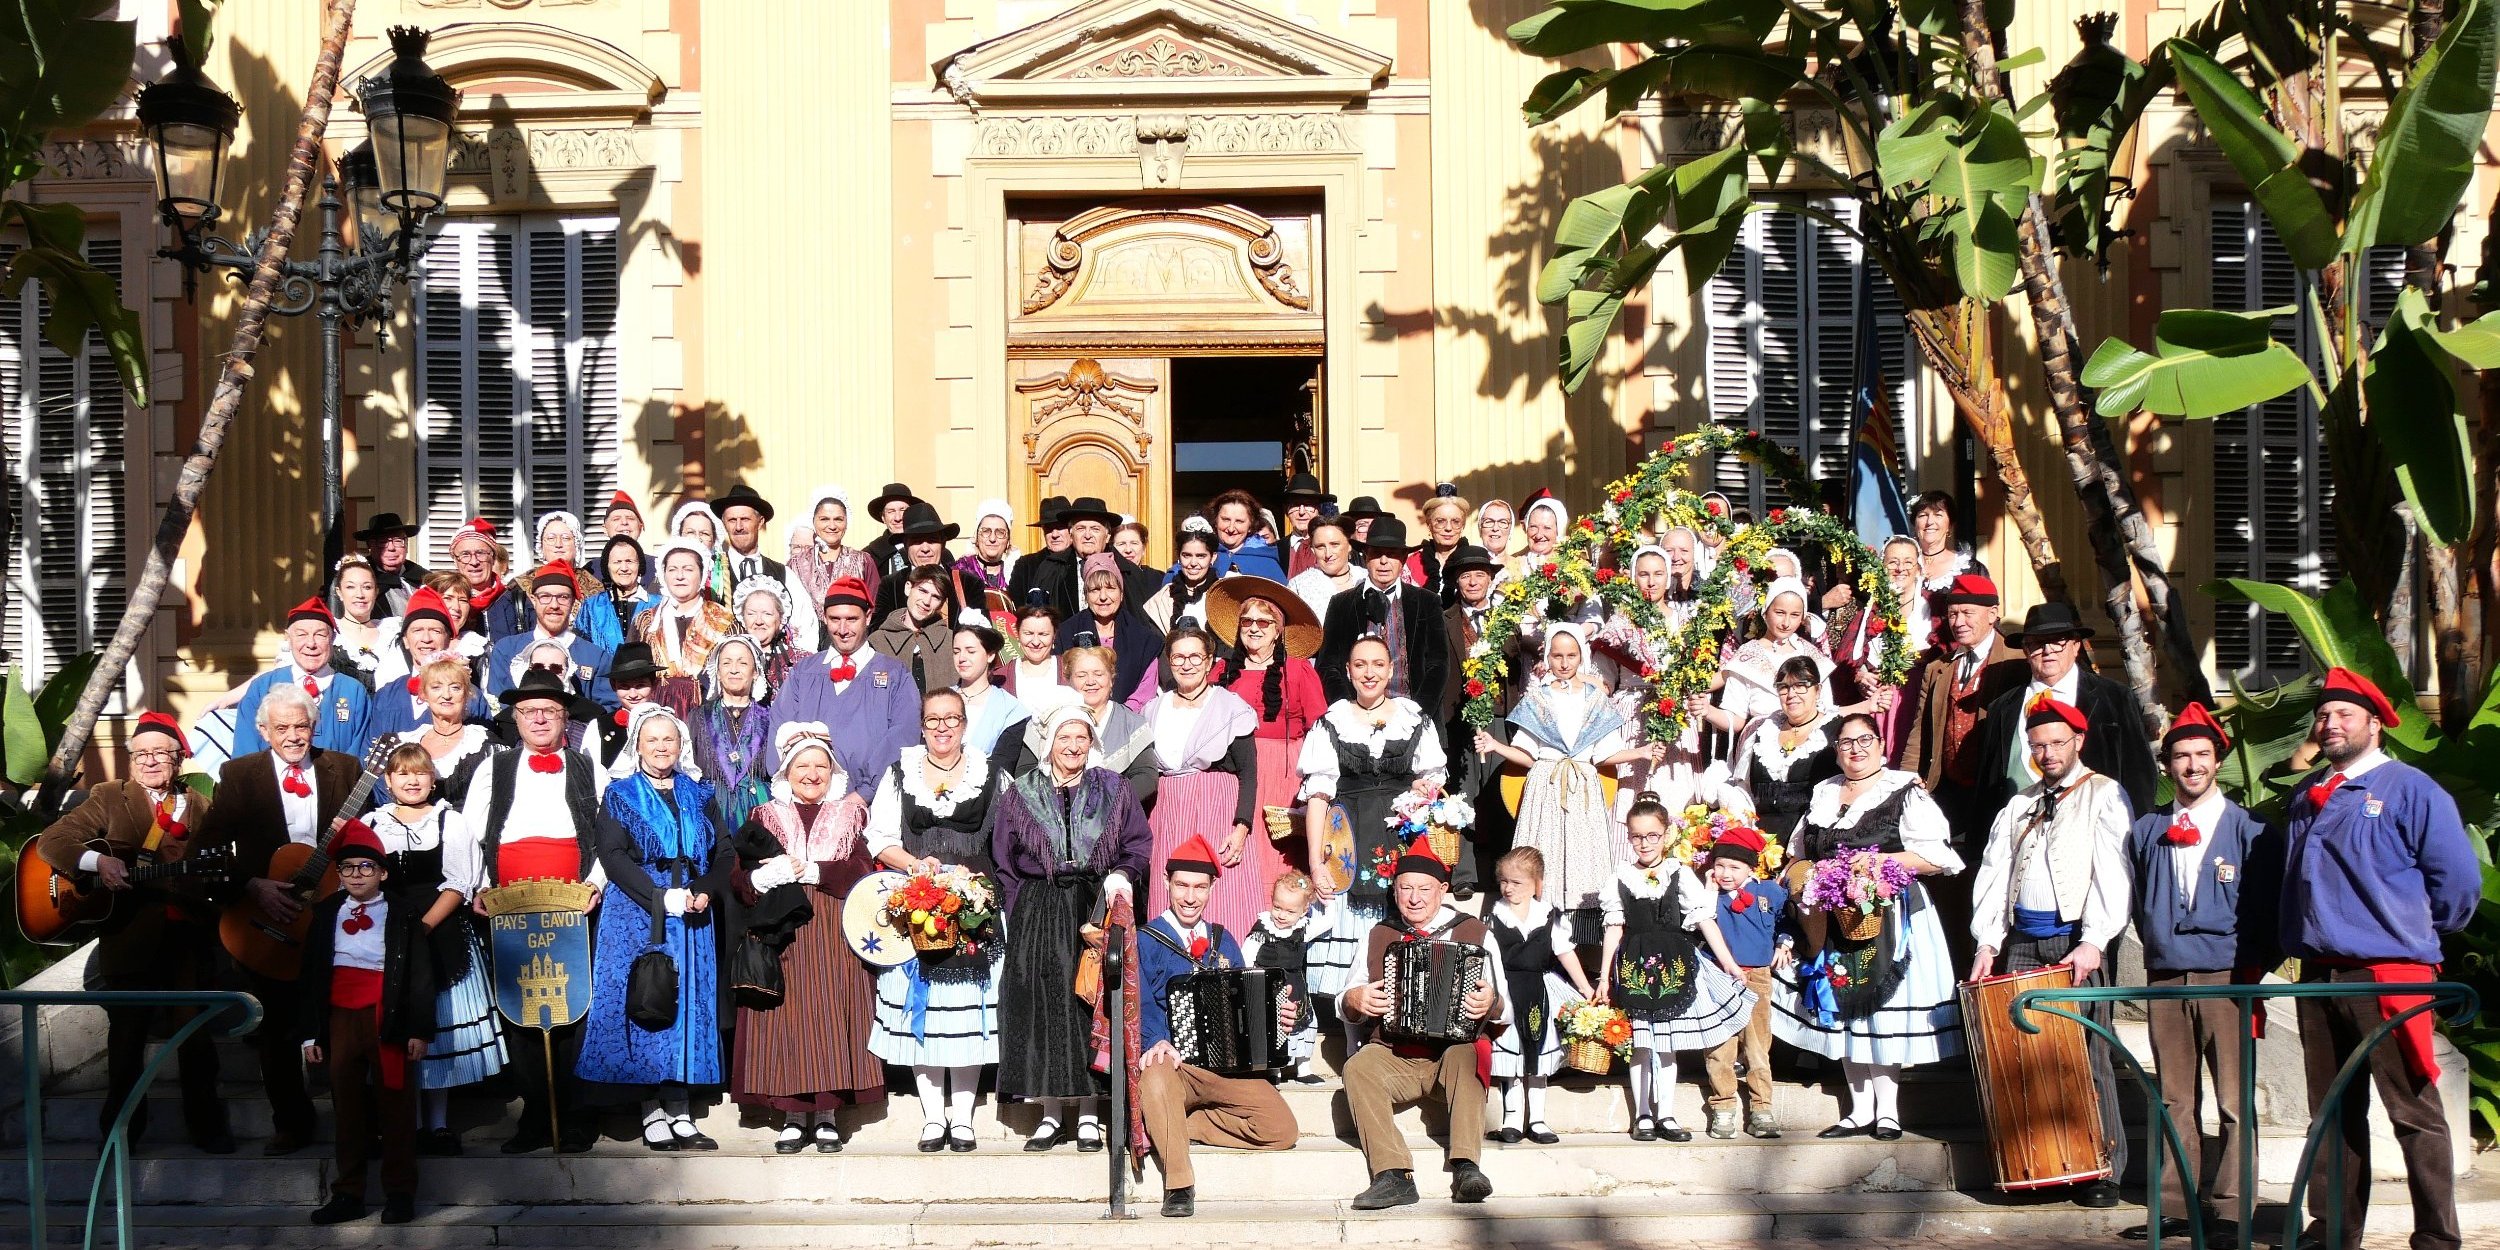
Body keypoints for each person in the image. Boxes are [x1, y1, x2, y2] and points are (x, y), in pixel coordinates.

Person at [2278, 668, 2476, 1250]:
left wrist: (2413, 933)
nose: (2330, 724)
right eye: (2323, 714)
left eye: (2343, 714)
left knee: (2414, 1110)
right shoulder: (2305, 796)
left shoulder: (2412, 790)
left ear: (2374, 723)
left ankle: (2438, 1237)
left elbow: (2457, 884)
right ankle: (2333, 1231)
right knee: (2332, 1112)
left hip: (2389, 973)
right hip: (2319, 976)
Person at [33, 712, 232, 1153]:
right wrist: (96, 863)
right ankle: (121, 1134)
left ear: (178, 759)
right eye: (141, 754)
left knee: (196, 1037)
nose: (149, 762)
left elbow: (221, 869)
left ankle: (208, 1127)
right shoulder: (108, 796)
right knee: (126, 1040)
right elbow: (52, 842)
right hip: (130, 936)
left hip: (189, 937)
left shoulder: (201, 806)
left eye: (160, 753)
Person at [1967, 694, 2133, 1209]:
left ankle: (2103, 1169)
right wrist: (1987, 941)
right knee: (2024, 1055)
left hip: (2074, 941)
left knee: (2088, 1055)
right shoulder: (2019, 803)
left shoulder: (2104, 794)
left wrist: (2094, 940)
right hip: (2022, 941)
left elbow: (2114, 872)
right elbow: (1994, 873)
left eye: (2057, 743)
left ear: (2078, 741)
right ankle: (2039, 1164)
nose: (2047, 753)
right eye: (2038, 745)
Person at [2123, 702, 2277, 1246]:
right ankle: (2176, 1205)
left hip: (2229, 978)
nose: (2192, 765)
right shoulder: (2146, 831)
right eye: (2181, 755)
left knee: (2234, 1101)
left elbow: (2270, 910)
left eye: (2202, 755)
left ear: (2219, 761)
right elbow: (2139, 901)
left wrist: (2251, 966)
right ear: (2167, 765)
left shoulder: (2252, 829)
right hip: (2165, 978)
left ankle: (2235, 1209)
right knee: (2173, 1099)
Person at [1771, 711, 1965, 1139]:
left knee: (1878, 1006)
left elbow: (1938, 857)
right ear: (1836, 751)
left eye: (1864, 741)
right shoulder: (1824, 792)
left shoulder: (1903, 790)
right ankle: (1859, 1109)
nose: (1855, 750)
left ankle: (1889, 1111)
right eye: (1845, 743)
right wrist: (1804, 877)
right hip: (1831, 916)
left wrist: (1875, 864)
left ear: (1881, 745)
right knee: (1842, 1004)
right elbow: (1800, 851)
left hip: (1888, 914)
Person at [193, 684, 366, 1156]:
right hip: (269, 919)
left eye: (302, 726)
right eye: (282, 728)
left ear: (316, 726)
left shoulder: (346, 769)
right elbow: (204, 850)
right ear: (263, 730)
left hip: (337, 918)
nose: (293, 736)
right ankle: (291, 1122)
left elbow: (369, 840)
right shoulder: (240, 774)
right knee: (277, 1030)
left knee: (346, 1024)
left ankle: (356, 1123)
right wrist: (251, 885)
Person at [458, 669, 609, 1154]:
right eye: (529, 711)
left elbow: (609, 833)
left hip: (574, 901)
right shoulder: (494, 768)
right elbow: (471, 834)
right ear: (516, 719)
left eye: (550, 710)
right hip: (511, 904)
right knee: (520, 1009)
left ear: (565, 718)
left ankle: (577, 1114)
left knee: (576, 1006)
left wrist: (596, 883)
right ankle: (536, 1117)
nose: (540, 718)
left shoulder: (588, 767)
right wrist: (480, 887)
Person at [992, 705, 1155, 1153]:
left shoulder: (1113, 789)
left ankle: (1088, 1114)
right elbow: (1004, 861)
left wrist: (1121, 875)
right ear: (1049, 743)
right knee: (1044, 1007)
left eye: (1081, 737)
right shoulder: (1022, 794)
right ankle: (1049, 1113)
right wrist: (1018, 909)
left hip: (1093, 903)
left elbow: (1137, 844)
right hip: (1039, 909)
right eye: (1065, 737)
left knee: (1089, 1005)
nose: (1073, 746)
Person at [577, 703, 730, 1152]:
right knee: (650, 998)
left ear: (681, 745)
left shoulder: (700, 793)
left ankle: (680, 1105)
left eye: (670, 740)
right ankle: (651, 1108)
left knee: (686, 1005)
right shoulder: (621, 795)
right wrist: (659, 897)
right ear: (638, 746)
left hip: (693, 911)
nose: (662, 747)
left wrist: (706, 889)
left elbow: (724, 852)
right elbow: (614, 855)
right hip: (640, 912)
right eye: (653, 740)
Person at [732, 721, 886, 1156]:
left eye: (821, 765)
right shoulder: (764, 816)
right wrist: (763, 875)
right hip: (782, 931)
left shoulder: (850, 815)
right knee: (786, 1019)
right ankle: (792, 1115)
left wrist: (817, 870)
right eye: (803, 765)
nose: (812, 773)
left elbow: (861, 870)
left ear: (832, 771)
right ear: (787, 771)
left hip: (833, 928)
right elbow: (739, 879)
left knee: (830, 1016)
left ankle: (826, 1115)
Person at [865, 691, 1009, 1152]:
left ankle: (963, 1118)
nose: (943, 728)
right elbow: (879, 839)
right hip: (917, 904)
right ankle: (932, 1117)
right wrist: (914, 865)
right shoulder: (899, 774)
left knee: (968, 1015)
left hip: (974, 906)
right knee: (919, 1011)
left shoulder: (992, 774)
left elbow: (1008, 838)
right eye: (933, 720)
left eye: (952, 719)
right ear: (922, 725)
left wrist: (980, 880)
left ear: (965, 724)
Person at [1134, 834, 1300, 1218]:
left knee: (1281, 1128)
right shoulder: (1147, 940)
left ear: (1211, 889)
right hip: (1176, 1065)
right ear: (1166, 883)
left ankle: (1177, 1124)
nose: (1190, 897)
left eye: (1199, 887)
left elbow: (1249, 1001)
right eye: (1182, 885)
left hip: (1226, 1068)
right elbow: (1140, 1002)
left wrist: (1278, 1017)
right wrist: (1157, 1040)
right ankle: (1179, 1184)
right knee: (1156, 1072)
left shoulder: (1224, 941)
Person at [1335, 838, 1502, 1211]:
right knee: (1358, 1067)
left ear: (1442, 890)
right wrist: (1355, 1000)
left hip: (1449, 1060)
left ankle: (1466, 1167)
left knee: (1468, 1052)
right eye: (1405, 889)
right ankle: (1393, 1175)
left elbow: (1503, 1008)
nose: (1414, 898)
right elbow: (1344, 998)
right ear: (1394, 891)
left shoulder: (1474, 931)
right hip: (1394, 1055)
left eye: (1424, 889)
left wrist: (1490, 1002)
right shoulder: (1378, 933)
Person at [360, 742, 501, 1155]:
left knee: (436, 1030)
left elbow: (458, 884)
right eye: (402, 773)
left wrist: (420, 929)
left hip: (437, 933)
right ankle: (405, 1122)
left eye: (420, 773)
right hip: (384, 934)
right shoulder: (371, 822)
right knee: (396, 1025)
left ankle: (437, 1125)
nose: (412, 780)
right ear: (388, 781)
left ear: (432, 778)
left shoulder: (450, 822)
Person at [1475, 624, 1657, 942]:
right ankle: (1535, 935)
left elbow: (1604, 754)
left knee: (1583, 860)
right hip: (1545, 785)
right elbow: (1527, 753)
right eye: (1557, 655)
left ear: (1581, 657)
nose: (1563, 662)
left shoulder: (1596, 700)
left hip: (1583, 786)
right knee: (1542, 854)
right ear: (1548, 656)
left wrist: (1640, 750)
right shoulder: (1537, 699)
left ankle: (1583, 939)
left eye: (1571, 655)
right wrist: (1495, 746)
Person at [296, 825, 435, 1227]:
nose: (357, 874)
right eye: (348, 868)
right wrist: (311, 1033)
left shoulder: (402, 912)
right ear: (338, 874)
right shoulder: (325, 912)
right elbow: (311, 976)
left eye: (366, 867)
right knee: (349, 1110)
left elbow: (420, 976)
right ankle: (349, 1194)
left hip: (386, 1015)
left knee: (396, 1106)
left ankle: (399, 1193)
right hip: (340, 1017)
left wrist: (418, 1030)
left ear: (383, 873)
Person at [1299, 635, 1447, 1004]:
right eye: (1361, 665)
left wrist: (1419, 797)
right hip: (1350, 837)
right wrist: (1317, 864)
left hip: (1402, 836)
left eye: (1378, 664)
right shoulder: (1331, 722)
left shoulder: (1414, 718)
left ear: (1391, 669)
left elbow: (1431, 784)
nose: (1369, 673)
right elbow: (1318, 797)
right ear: (1348, 671)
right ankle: (1354, 1034)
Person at [1599, 796, 1755, 1143]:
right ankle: (1642, 1114)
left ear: (1665, 835)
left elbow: (1704, 920)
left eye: (1652, 835)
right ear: (1629, 838)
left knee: (1667, 1044)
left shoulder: (1680, 873)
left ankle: (1666, 1113)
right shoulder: (1620, 877)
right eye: (1638, 836)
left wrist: (1728, 963)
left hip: (1674, 963)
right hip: (1636, 965)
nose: (1645, 843)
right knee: (1641, 1043)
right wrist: (1604, 976)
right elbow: (1614, 928)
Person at [1205, 575, 1328, 894]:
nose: (1254, 627)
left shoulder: (1299, 670)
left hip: (1284, 777)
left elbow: (1321, 730)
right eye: (1247, 620)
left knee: (1281, 860)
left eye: (1264, 621)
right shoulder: (1221, 672)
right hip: (1235, 776)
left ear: (1278, 630)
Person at [1975, 603, 2155, 817]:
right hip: (2019, 833)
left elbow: (2139, 775)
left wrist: (2136, 836)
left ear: (2076, 646)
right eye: (2037, 644)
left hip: (2094, 828)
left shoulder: (2114, 697)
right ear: (2026, 650)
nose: (2048, 650)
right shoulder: (2002, 707)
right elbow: (1985, 789)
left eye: (2058, 641)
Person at [1139, 626, 1263, 932]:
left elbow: (1249, 773)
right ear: (1168, 661)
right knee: (1171, 891)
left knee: (1224, 896)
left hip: (1217, 809)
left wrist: (1241, 827)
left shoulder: (1230, 707)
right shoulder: (1152, 710)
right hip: (1167, 812)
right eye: (1178, 657)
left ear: (1209, 662)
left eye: (1195, 656)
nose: (1186, 664)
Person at [770, 576, 927, 818]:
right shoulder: (804, 672)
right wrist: (795, 790)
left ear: (869, 616)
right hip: (806, 806)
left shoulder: (895, 674)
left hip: (871, 808)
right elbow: (780, 729)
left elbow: (904, 735)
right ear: (824, 618)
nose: (843, 630)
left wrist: (865, 792)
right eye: (835, 619)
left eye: (852, 619)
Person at [1482, 846, 1593, 1146]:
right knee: (1513, 1057)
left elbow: (1564, 952)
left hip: (1539, 991)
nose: (1508, 888)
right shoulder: (1494, 919)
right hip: (1507, 990)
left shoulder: (1549, 917)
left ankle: (1538, 1119)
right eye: (1504, 881)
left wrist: (1585, 987)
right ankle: (1512, 1117)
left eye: (1517, 883)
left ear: (1537, 884)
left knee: (1538, 1054)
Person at [1699, 825, 1791, 1141]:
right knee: (1721, 1046)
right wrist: (1709, 891)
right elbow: (1696, 919)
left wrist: (1784, 942)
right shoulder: (1709, 898)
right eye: (1720, 865)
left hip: (1757, 977)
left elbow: (1785, 920)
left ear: (1750, 868)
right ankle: (1723, 1108)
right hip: (1720, 976)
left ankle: (1762, 1109)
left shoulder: (1770, 892)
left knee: (1757, 1046)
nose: (1725, 873)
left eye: (1734, 867)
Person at [1317, 518, 1448, 706]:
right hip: (1357, 718)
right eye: (1377, 554)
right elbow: (1328, 665)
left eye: (1392, 554)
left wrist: (1419, 713)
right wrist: (1347, 711)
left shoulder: (1427, 601)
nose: (1384, 561)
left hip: (1414, 716)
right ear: (1365, 557)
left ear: (1403, 559)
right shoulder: (1341, 604)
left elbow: (1439, 664)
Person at [231, 597, 372, 757]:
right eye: (301, 635)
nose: (311, 644)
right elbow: (245, 753)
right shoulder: (262, 688)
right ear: (288, 638)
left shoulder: (354, 692)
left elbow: (361, 755)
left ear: (332, 639)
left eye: (320, 635)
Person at [1728, 655, 1840, 844]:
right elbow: (1743, 792)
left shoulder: (1837, 732)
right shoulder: (1763, 732)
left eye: (1801, 685)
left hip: (1811, 842)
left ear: (1818, 690)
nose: (1791, 694)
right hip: (1760, 842)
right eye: (1784, 687)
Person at [485, 561, 615, 709]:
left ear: (573, 602)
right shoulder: (506, 650)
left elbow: (606, 710)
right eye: (545, 596)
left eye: (563, 597)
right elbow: (499, 704)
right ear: (533, 600)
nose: (554, 605)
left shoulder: (596, 657)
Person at [1240, 872, 1329, 1083]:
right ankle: (1274, 1071)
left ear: (1304, 911)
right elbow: (1246, 956)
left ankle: (1303, 1068)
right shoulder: (1262, 929)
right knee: (1273, 1027)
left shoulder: (1302, 930)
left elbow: (1328, 922)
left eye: (1290, 911)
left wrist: (1329, 900)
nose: (1281, 915)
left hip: (1295, 987)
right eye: (1277, 907)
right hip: (1268, 987)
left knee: (1302, 1024)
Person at [637, 539, 737, 714]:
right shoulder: (647, 622)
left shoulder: (724, 621)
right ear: (663, 574)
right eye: (672, 570)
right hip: (658, 716)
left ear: (702, 573)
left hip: (710, 714)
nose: (680, 576)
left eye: (688, 569)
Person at [690, 635, 777, 831]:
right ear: (718, 672)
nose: (734, 669)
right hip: (711, 815)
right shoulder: (698, 717)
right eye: (727, 663)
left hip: (759, 816)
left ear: (755, 672)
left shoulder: (770, 718)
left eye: (743, 663)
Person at [1056, 552, 1164, 707]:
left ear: (1121, 593)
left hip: (1127, 721)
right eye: (1095, 590)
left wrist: (1119, 717)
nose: (1103, 597)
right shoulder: (1066, 633)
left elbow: (1145, 692)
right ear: (1086, 595)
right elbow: (1061, 682)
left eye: (1110, 588)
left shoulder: (1142, 638)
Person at [787, 486, 880, 652]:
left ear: (846, 522)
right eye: (824, 519)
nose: (832, 525)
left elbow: (874, 607)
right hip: (807, 648)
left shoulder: (863, 561)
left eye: (838, 519)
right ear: (814, 522)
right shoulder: (795, 565)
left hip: (853, 645)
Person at [872, 502, 986, 624]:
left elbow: (982, 635)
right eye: (917, 541)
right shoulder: (890, 585)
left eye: (932, 541)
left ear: (943, 544)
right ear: (906, 545)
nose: (925, 548)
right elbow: (878, 632)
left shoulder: (969, 584)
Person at [869, 564, 958, 690]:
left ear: (942, 604)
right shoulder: (878, 642)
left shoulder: (951, 642)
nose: (926, 601)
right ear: (908, 588)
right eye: (923, 591)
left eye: (936, 597)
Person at [947, 621, 1030, 754]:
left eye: (971, 651)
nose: (961, 658)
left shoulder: (1008, 707)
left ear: (990, 655)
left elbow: (1005, 760)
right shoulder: (941, 699)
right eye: (956, 652)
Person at [447, 519, 526, 643]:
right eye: (465, 555)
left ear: (493, 558)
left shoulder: (518, 601)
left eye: (481, 553)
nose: (474, 562)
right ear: (456, 561)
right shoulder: (444, 602)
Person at [593, 643, 665, 769]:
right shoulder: (599, 726)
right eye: (624, 687)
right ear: (613, 686)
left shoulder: (669, 723)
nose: (633, 694)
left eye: (640, 686)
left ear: (655, 684)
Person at [733, 575, 805, 698]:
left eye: (767, 614)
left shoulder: (802, 662)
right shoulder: (730, 660)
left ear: (780, 618)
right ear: (743, 618)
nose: (759, 621)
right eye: (751, 614)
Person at [577, 536, 651, 653]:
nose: (624, 568)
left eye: (629, 561)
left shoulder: (659, 605)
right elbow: (581, 649)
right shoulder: (591, 607)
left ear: (639, 565)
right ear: (607, 567)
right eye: (617, 562)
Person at [1201, 488, 1286, 581]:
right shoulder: (1199, 554)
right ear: (1215, 521)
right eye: (1226, 519)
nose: (1231, 528)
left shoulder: (1266, 562)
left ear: (1250, 526)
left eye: (1239, 521)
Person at [1143, 530, 1221, 631]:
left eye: (1201, 556)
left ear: (1213, 557)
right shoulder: (1163, 598)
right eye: (1187, 555)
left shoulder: (1223, 595)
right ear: (1179, 556)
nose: (1193, 563)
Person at [330, 556, 389, 685]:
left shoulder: (391, 633)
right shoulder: (331, 633)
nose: (360, 595)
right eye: (351, 587)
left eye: (367, 587)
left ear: (376, 592)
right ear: (339, 592)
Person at [1006, 495, 1073, 611]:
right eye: (1049, 528)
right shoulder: (1026, 566)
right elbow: (1015, 608)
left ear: (1071, 529)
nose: (1055, 534)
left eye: (1060, 527)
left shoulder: (1080, 561)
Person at [714, 483, 785, 589]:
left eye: (745, 519)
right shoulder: (712, 569)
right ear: (724, 524)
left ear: (760, 522)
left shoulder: (783, 574)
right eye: (732, 520)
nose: (738, 527)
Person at [1287, 516, 1358, 622]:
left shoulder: (1365, 578)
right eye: (1320, 547)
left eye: (1334, 545)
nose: (1328, 553)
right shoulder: (1299, 585)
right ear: (1312, 549)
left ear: (1349, 545)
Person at [1406, 489, 1470, 604]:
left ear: (1463, 526)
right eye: (1440, 521)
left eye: (1456, 521)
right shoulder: (1411, 563)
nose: (1448, 528)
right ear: (1429, 525)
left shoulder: (1474, 559)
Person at [357, 512, 427, 616]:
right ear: (371, 546)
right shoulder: (360, 581)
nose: (391, 548)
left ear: (406, 544)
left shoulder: (423, 578)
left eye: (398, 541)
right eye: (383, 542)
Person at [670, 500, 735, 604]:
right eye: (690, 532)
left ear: (714, 540)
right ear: (680, 535)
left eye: (704, 533)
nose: (697, 538)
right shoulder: (667, 571)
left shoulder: (725, 570)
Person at [956, 498, 1021, 598]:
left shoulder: (1018, 573)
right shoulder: (961, 570)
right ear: (977, 536)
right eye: (986, 531)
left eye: (1000, 532)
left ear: (1008, 539)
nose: (992, 538)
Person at [532, 512, 602, 600]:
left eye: (565, 538)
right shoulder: (522, 585)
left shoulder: (594, 586)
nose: (558, 544)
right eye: (551, 538)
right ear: (541, 545)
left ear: (576, 544)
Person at [861, 482, 924, 580]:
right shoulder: (869, 556)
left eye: (903, 510)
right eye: (891, 511)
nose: (898, 518)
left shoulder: (931, 550)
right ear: (883, 517)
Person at [1005, 604, 1064, 703]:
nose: (1036, 642)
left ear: (1054, 635)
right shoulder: (1001, 677)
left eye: (1043, 634)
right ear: (1018, 634)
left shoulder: (1070, 671)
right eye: (1028, 633)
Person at [1278, 472, 1332, 577]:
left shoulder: (1334, 547)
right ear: (1286, 510)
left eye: (1308, 504)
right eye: (1295, 505)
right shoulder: (1276, 549)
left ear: (1318, 509)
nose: (1301, 512)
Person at [1474, 498, 1515, 567]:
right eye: (1489, 521)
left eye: (1503, 522)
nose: (1495, 528)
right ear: (1480, 527)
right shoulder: (1469, 566)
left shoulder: (1521, 567)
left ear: (1510, 529)